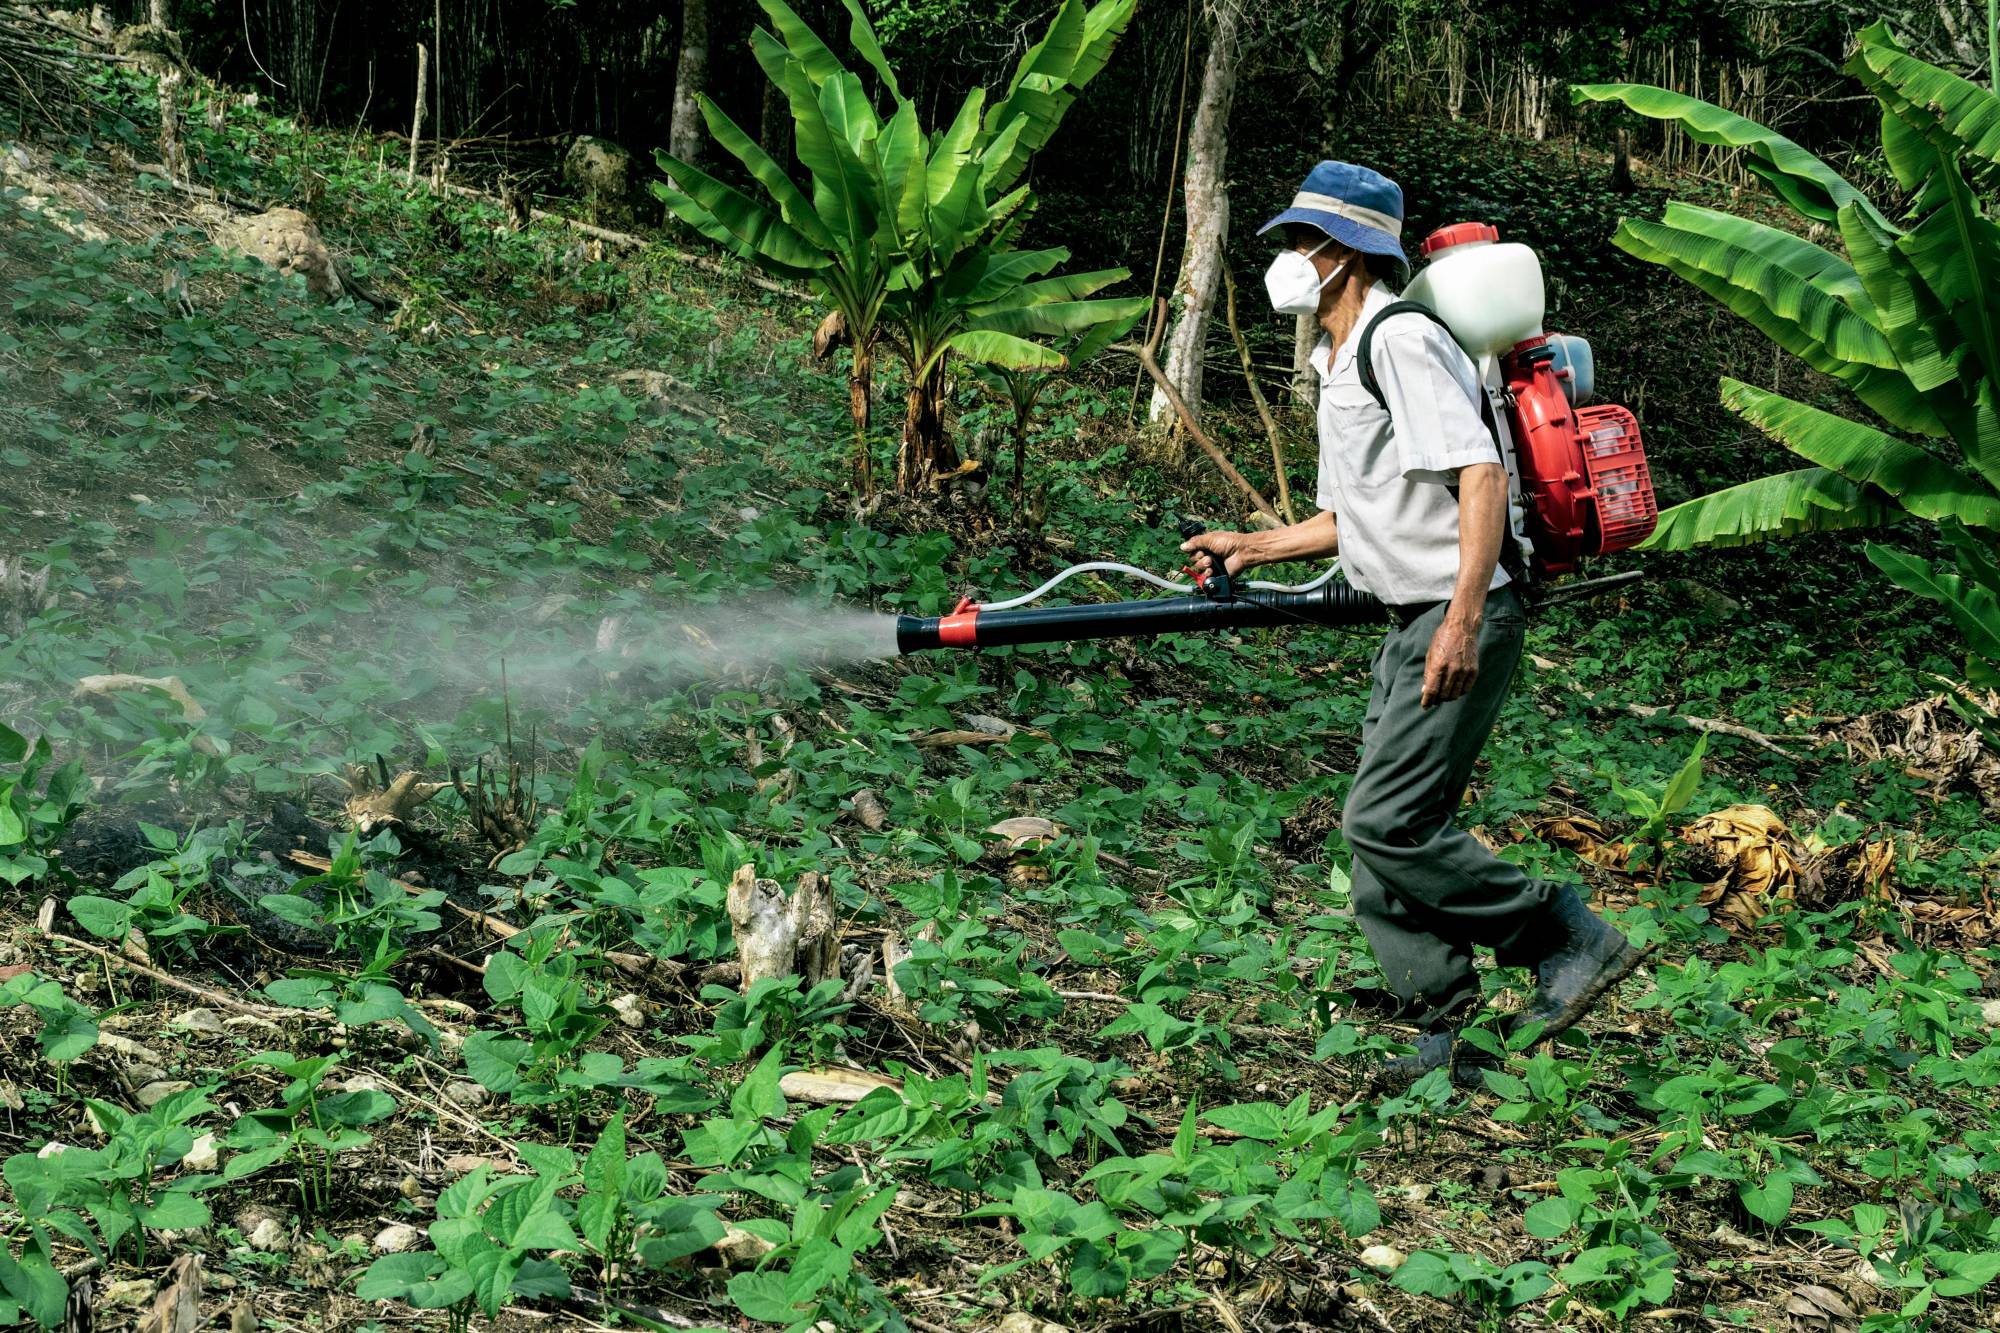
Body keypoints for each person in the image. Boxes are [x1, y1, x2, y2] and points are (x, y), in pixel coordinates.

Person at [1181, 161, 1645, 1090]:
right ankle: (1444, 1035)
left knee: (1384, 818)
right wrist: (1253, 546)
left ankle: (1563, 931)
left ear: (1345, 253)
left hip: (1459, 610)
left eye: (1297, 242)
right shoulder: (1335, 358)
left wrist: (1462, 621)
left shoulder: (1399, 341)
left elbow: (1478, 474)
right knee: (1382, 840)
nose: (1283, 258)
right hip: (1409, 617)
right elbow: (1353, 512)